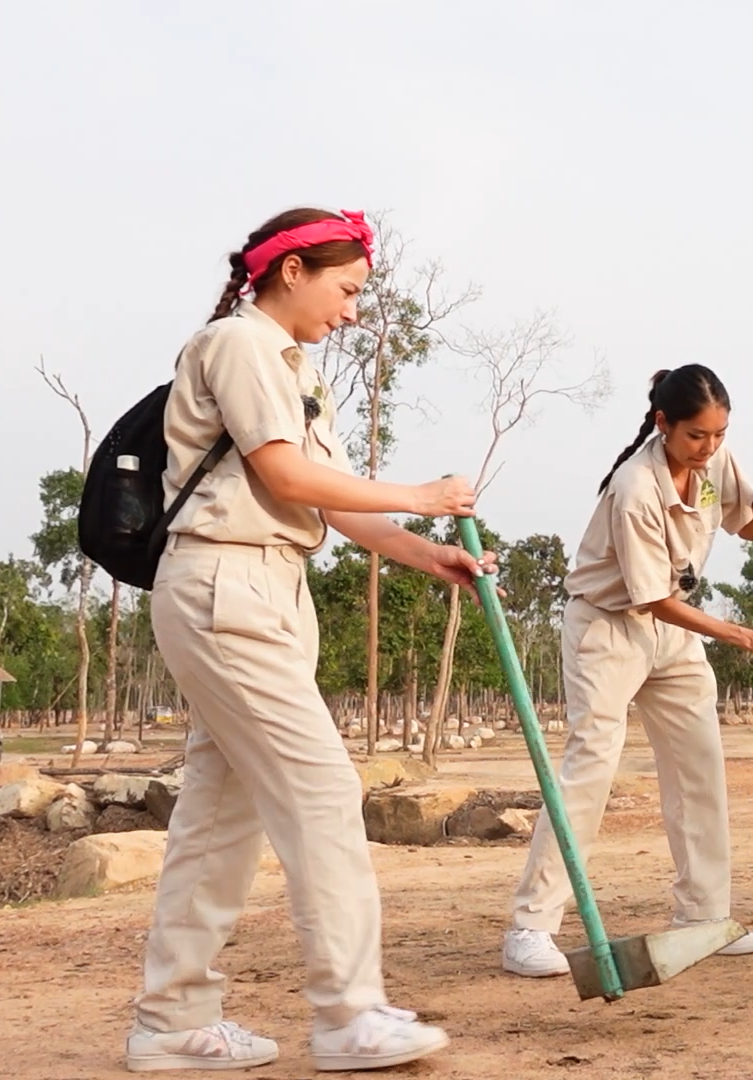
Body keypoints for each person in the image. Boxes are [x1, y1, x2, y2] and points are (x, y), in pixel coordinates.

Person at [132, 208, 494, 1072]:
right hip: (226, 581)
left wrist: (423, 551)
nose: (352, 310)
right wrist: (427, 492)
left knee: (220, 818)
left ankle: (172, 1023)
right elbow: (287, 475)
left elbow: (323, 504)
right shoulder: (238, 343)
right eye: (347, 288)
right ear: (291, 269)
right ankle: (348, 1013)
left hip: (270, 586)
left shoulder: (295, 370)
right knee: (324, 788)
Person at [501, 364, 753, 978]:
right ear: (663, 423)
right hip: (609, 626)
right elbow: (649, 599)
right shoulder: (635, 487)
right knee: (590, 770)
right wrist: (750, 638)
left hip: (674, 628)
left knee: (699, 766)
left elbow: (748, 526)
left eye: (720, 434)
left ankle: (704, 916)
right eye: (697, 436)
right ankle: (529, 928)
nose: (710, 447)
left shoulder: (713, 464)